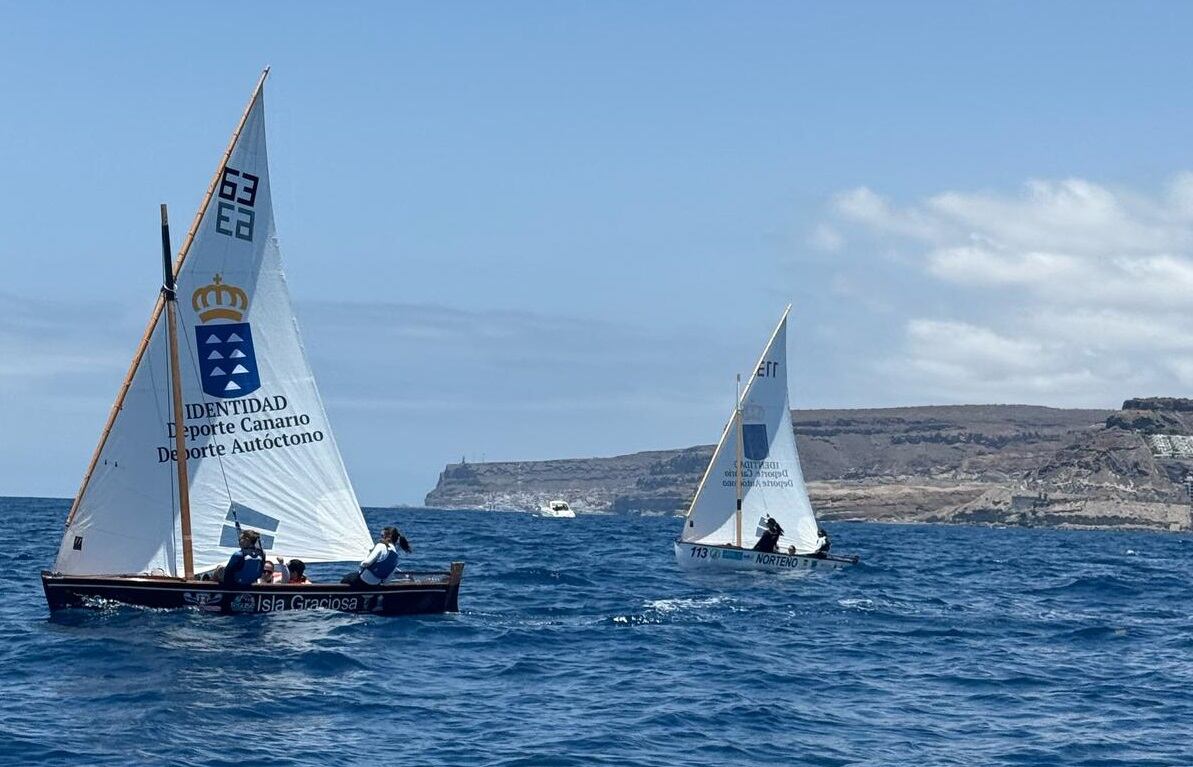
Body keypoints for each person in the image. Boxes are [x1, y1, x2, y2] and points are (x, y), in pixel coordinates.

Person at [342, 526, 411, 588]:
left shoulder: (381, 546)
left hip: (363, 580)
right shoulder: (396, 556)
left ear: (388, 537)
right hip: (375, 584)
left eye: (381, 536)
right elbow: (388, 578)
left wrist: (361, 567)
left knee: (347, 578)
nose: (380, 538)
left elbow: (366, 563)